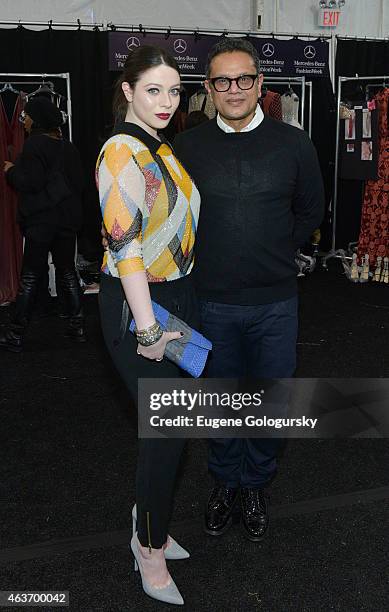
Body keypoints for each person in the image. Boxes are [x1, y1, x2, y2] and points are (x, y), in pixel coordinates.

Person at [173, 39, 325, 542]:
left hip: (276, 305)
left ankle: (256, 485)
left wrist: (275, 251)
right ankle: (225, 485)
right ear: (209, 89)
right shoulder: (187, 149)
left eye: (243, 79)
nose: (233, 89)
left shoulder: (294, 144)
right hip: (210, 303)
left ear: (260, 85)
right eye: (222, 81)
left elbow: (310, 210)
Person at [96, 46, 200, 606]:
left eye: (174, 91)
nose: (165, 102)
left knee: (174, 430)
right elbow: (125, 246)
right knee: (166, 432)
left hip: (176, 299)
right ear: (128, 91)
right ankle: (149, 547)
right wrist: (147, 329)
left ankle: (148, 515)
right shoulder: (120, 151)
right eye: (153, 90)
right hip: (138, 307)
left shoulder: (160, 148)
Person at [1, 96, 86, 352]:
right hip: (66, 223)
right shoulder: (68, 147)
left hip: (41, 222)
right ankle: (77, 325)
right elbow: (80, 184)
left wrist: (11, 170)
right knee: (67, 271)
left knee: (29, 276)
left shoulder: (33, 145)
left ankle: (15, 333)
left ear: (36, 119)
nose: (24, 121)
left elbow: (31, 183)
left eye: (26, 116)